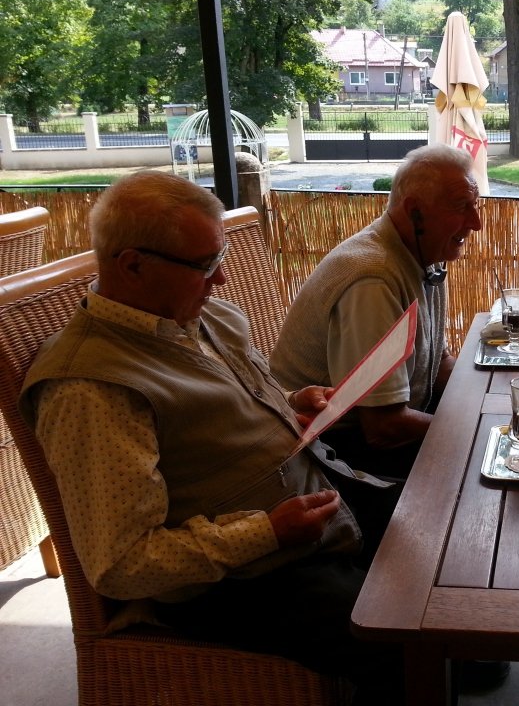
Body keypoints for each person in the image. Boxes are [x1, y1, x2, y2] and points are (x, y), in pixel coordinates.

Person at [19, 171, 402, 702]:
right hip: (239, 580)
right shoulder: (93, 388)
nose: (221, 280)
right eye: (205, 265)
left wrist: (291, 402)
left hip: (313, 499)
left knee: (439, 539)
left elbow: (214, 408)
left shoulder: (199, 316)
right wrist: (268, 533)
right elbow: (123, 564)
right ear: (132, 265)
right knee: (396, 634)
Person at [271, 144, 482, 480]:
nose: (477, 223)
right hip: (334, 454)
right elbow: (384, 427)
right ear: (414, 212)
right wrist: (478, 429)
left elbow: (439, 362)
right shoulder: (374, 280)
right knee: (482, 471)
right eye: (461, 207)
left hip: (391, 425)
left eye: (475, 205)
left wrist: (487, 399)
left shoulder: (422, 254)